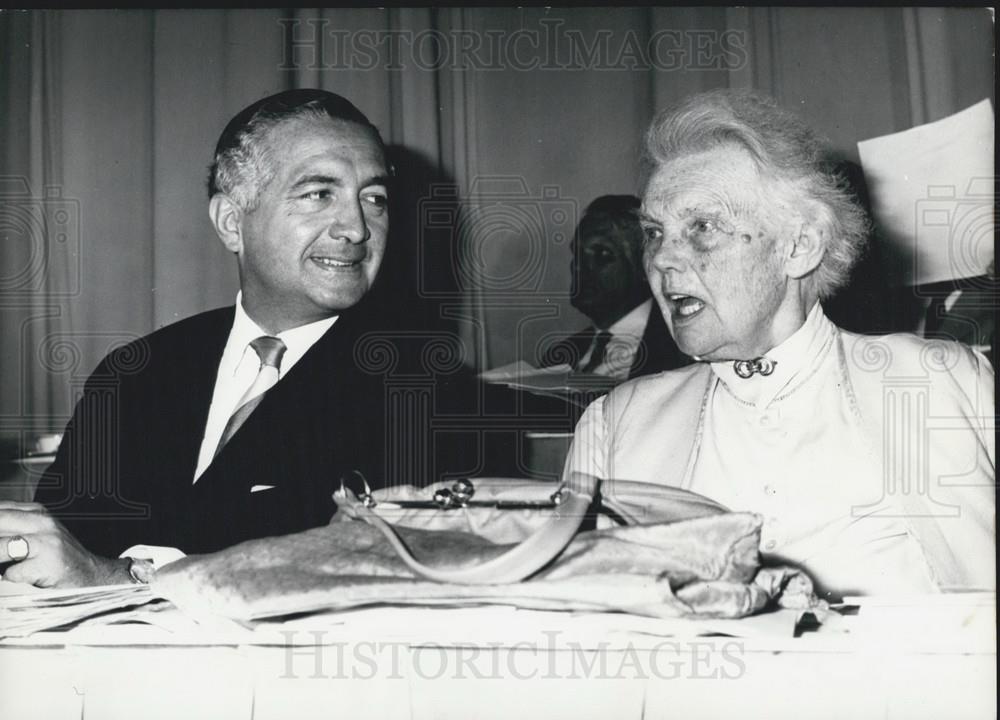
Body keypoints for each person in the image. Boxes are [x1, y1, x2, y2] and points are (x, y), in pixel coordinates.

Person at [0, 89, 471, 587]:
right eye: (319, 194)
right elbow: (56, 554)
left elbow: (365, 576)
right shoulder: (138, 370)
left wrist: (118, 575)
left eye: (374, 198)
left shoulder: (429, 393)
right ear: (231, 223)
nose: (356, 227)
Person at [565, 90, 995, 598]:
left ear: (799, 246)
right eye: (655, 233)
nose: (662, 259)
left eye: (701, 227)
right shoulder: (616, 424)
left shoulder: (944, 382)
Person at [539, 195, 689, 380]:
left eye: (602, 254)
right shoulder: (558, 357)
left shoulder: (681, 352)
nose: (578, 266)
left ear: (645, 266)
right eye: (577, 253)